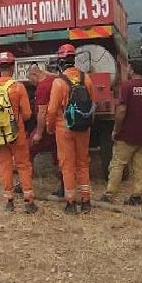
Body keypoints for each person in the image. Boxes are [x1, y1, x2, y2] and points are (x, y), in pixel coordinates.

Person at [0, 51, 37, 213]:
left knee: (4, 165)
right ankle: (28, 202)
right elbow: (27, 114)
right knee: (22, 165)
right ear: (13, 67)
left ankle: (9, 201)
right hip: (16, 132)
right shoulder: (18, 87)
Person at [47, 44, 96, 214]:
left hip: (64, 128)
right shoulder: (87, 78)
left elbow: (52, 110)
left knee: (67, 165)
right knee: (83, 163)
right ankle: (86, 200)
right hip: (84, 128)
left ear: (61, 61)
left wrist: (50, 127)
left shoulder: (59, 83)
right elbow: (92, 104)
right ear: (74, 59)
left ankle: (70, 202)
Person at [99, 60, 142, 205]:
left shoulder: (127, 86)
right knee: (141, 165)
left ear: (132, 70)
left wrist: (115, 129)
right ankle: (137, 197)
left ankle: (109, 195)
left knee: (118, 164)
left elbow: (121, 110)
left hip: (127, 134)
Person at [27, 65, 64, 197]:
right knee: (59, 156)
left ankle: (25, 183)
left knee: (28, 150)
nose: (31, 83)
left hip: (47, 127)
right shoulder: (54, 81)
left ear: (34, 74)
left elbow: (42, 113)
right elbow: (59, 76)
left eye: (30, 79)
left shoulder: (42, 88)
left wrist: (38, 133)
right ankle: (64, 186)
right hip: (58, 126)